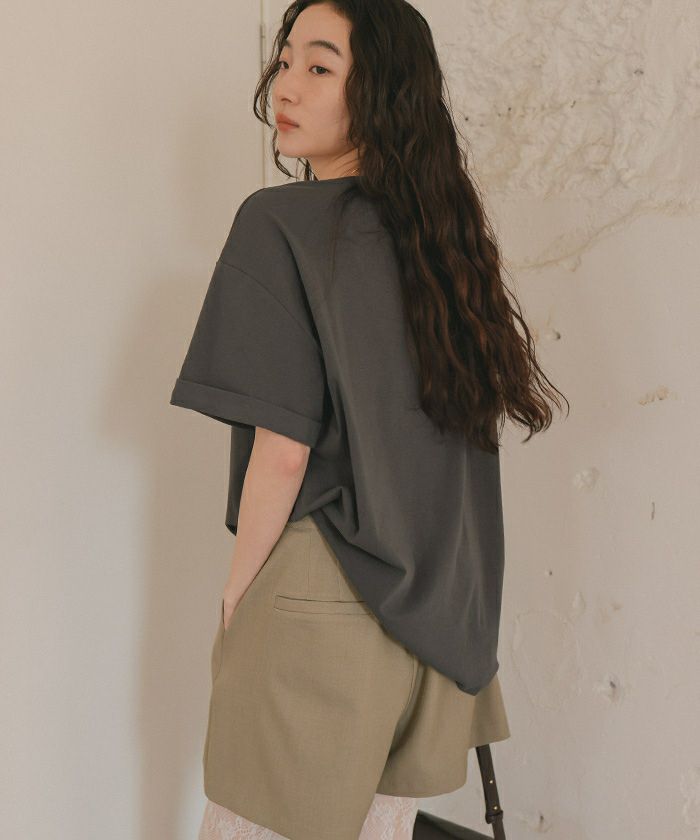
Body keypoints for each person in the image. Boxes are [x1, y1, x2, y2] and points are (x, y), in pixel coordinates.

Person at [170, 1, 568, 838]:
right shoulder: (447, 247)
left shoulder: (280, 223)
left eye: (320, 67)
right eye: (285, 61)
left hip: (321, 600)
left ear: (382, 92)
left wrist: (237, 600)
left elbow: (284, 451)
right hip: (439, 622)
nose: (287, 86)